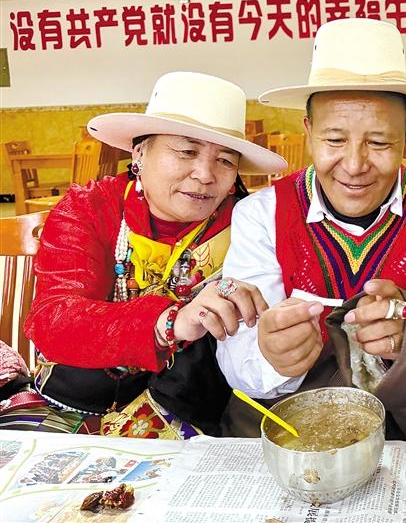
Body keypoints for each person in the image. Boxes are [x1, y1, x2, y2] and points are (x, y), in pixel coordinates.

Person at [218, 18, 406, 439]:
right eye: (334, 140)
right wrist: (269, 354)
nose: (353, 165)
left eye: (379, 143)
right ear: (309, 134)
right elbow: (237, 351)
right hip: (287, 429)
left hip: (399, 426)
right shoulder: (261, 214)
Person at [1, 72, 286, 438]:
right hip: (75, 406)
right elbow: (53, 320)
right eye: (186, 152)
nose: (205, 174)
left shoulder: (249, 226)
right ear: (139, 153)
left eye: (225, 161)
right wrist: (170, 321)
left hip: (194, 418)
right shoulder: (91, 209)